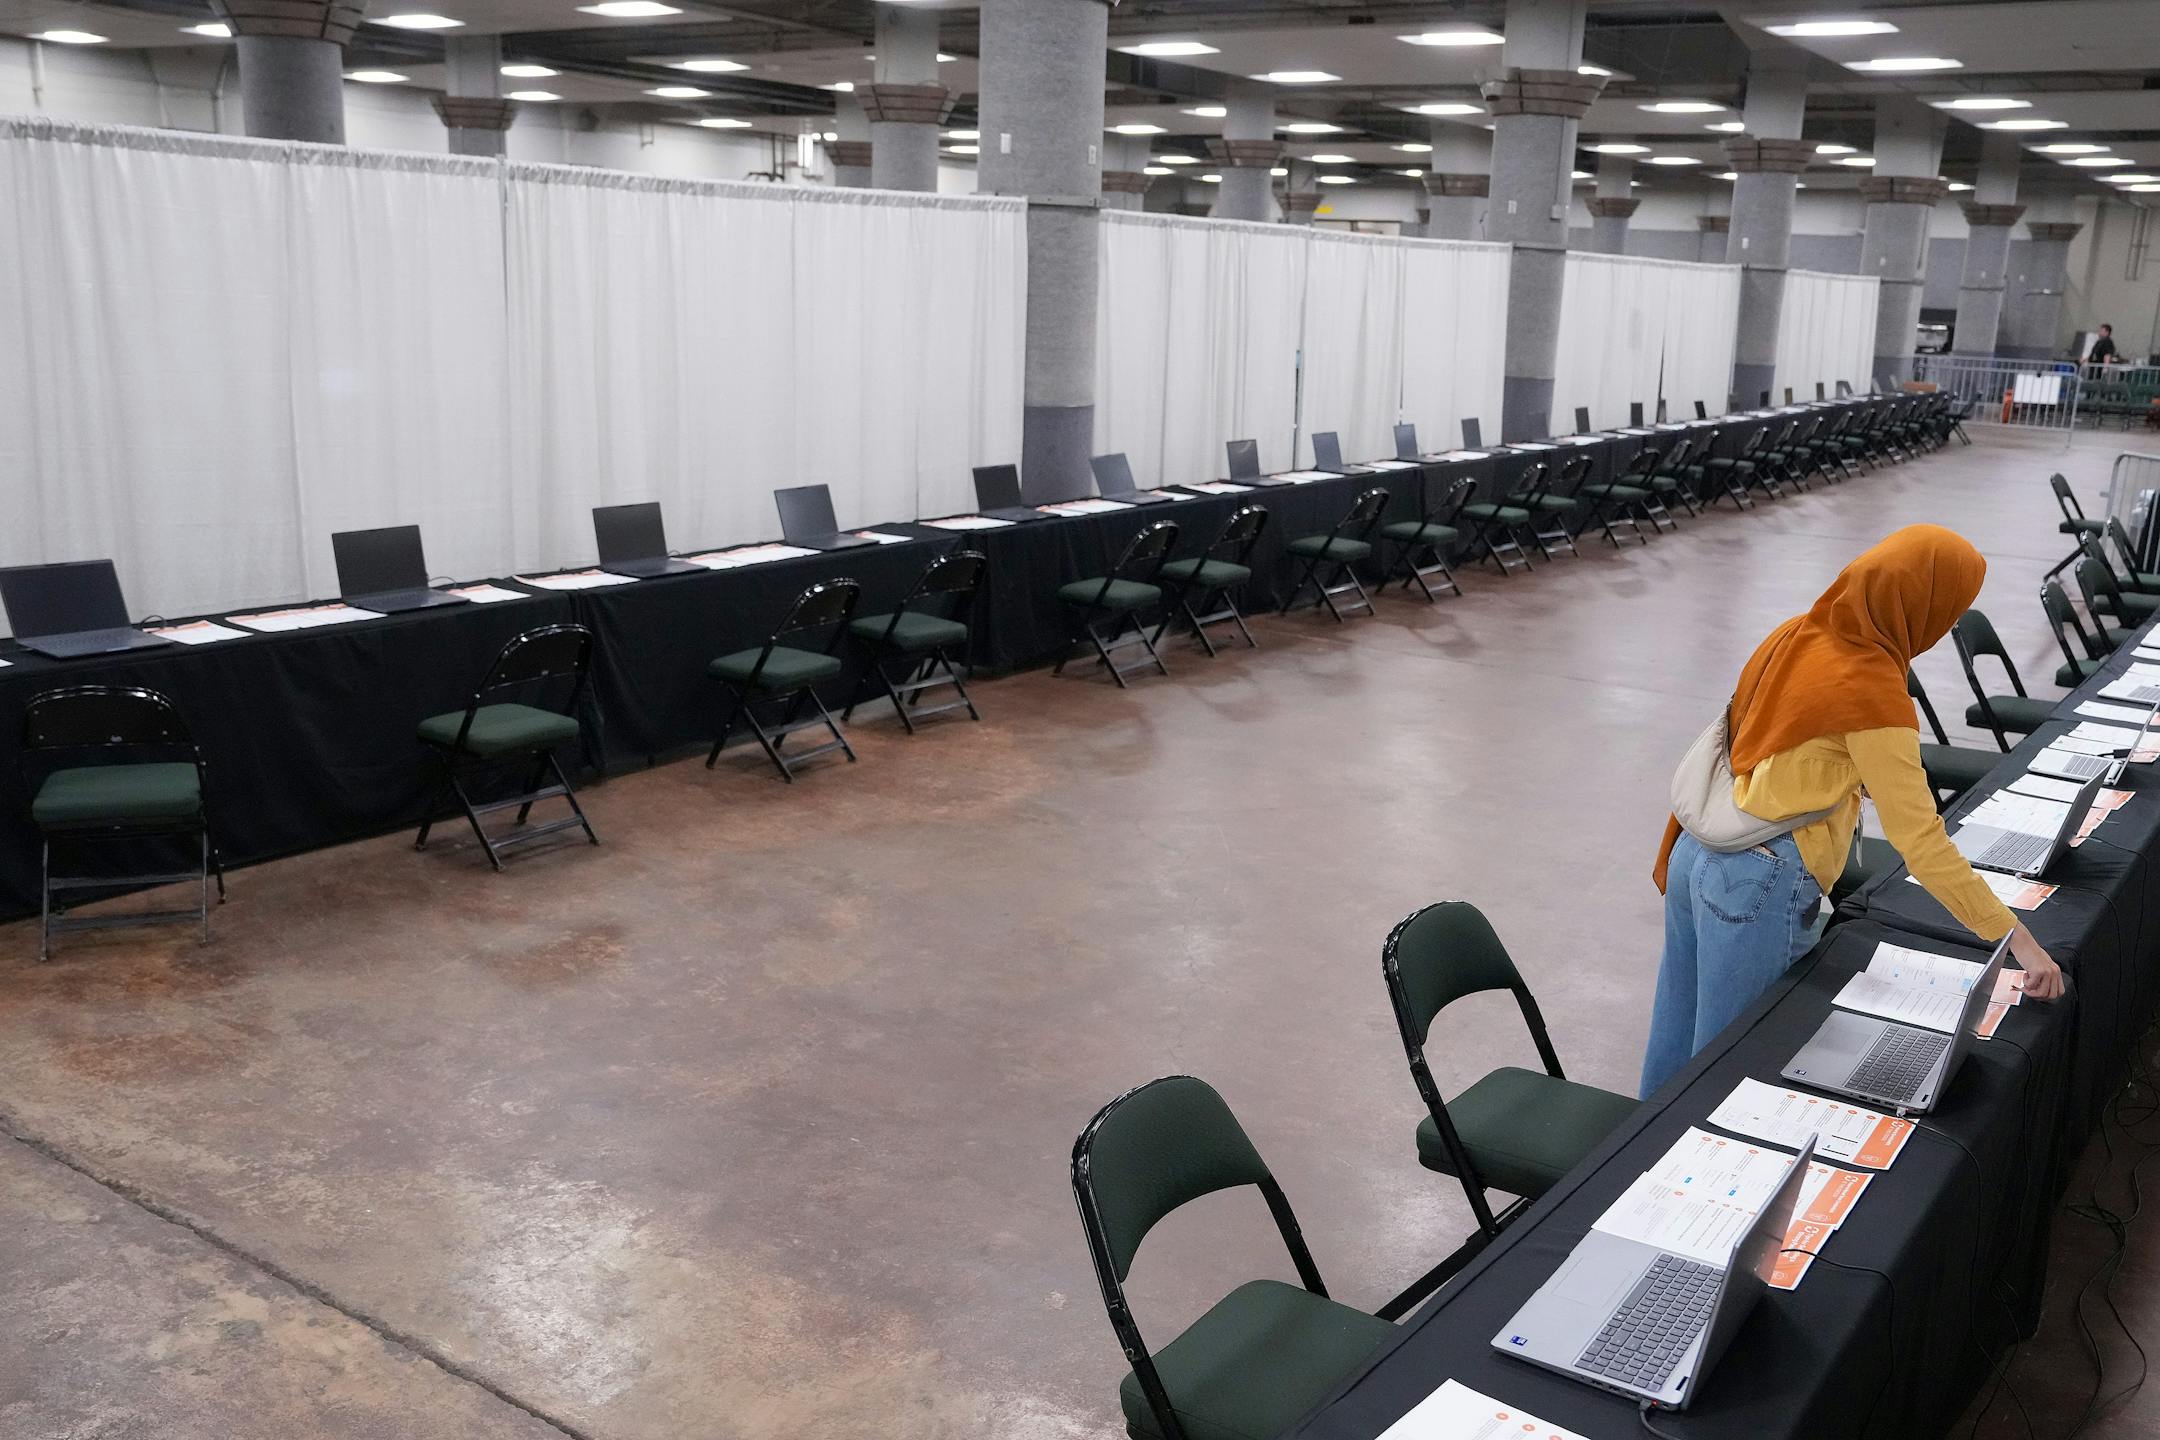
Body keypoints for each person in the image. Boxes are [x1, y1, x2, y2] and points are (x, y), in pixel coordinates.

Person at [1639, 525, 2063, 1098]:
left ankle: (1637, 1173)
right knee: (1729, 1068)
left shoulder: (1794, 633)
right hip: (1755, 880)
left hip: (1699, 852)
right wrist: (2019, 941)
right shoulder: (1873, 691)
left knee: (1674, 1046)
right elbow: (1922, 844)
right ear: (1924, 605)